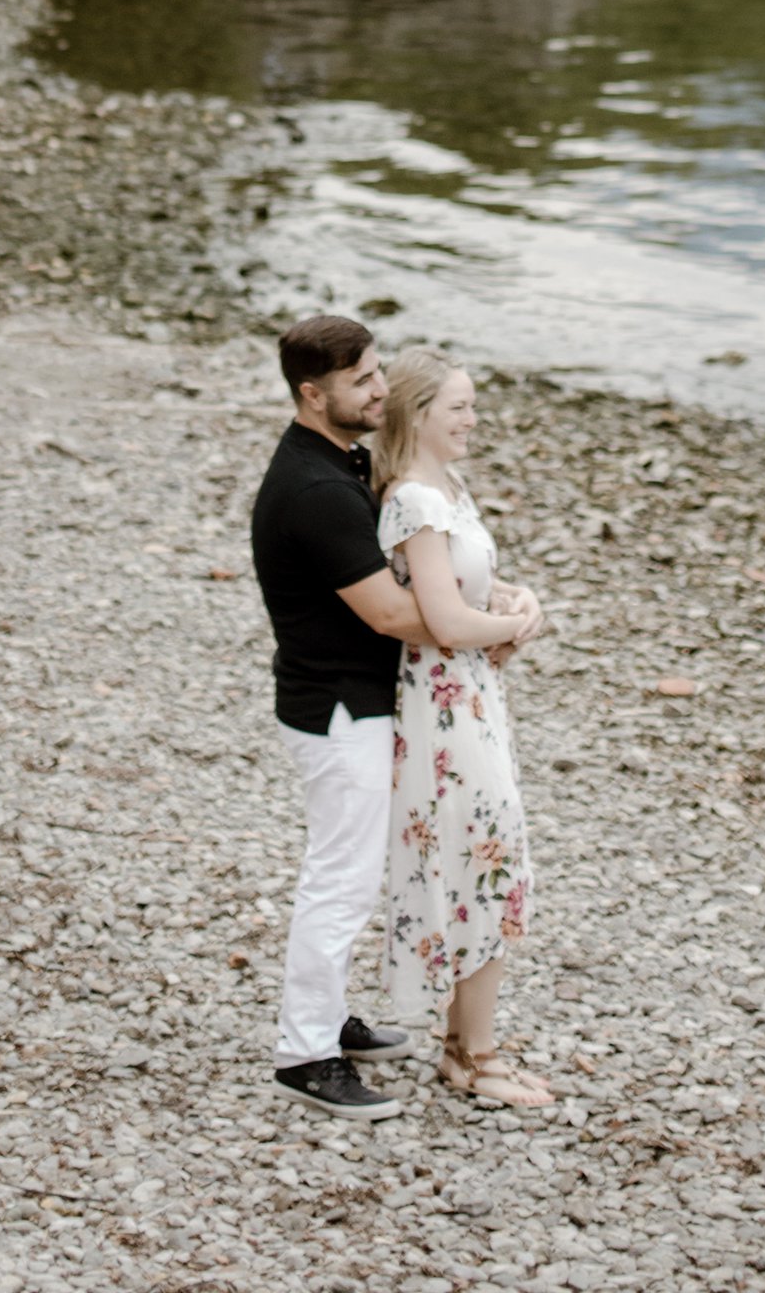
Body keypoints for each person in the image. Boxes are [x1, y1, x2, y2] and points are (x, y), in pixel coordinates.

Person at [250, 313, 534, 1120]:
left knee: (352, 870)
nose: (380, 390)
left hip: (358, 700)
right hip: (340, 707)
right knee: (339, 879)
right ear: (314, 393)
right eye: (362, 381)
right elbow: (398, 616)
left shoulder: (337, 462)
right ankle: (305, 1052)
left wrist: (470, 608)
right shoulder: (311, 488)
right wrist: (496, 621)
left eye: (379, 374)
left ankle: (329, 1018)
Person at [373, 348, 551, 1109]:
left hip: (473, 693)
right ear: (419, 415)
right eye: (460, 407)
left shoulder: (450, 488)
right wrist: (512, 631)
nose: (474, 420)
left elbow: (466, 587)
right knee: (486, 860)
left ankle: (465, 1044)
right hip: (443, 705)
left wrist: (519, 601)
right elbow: (442, 620)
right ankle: (474, 1055)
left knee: (491, 856)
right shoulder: (412, 499)